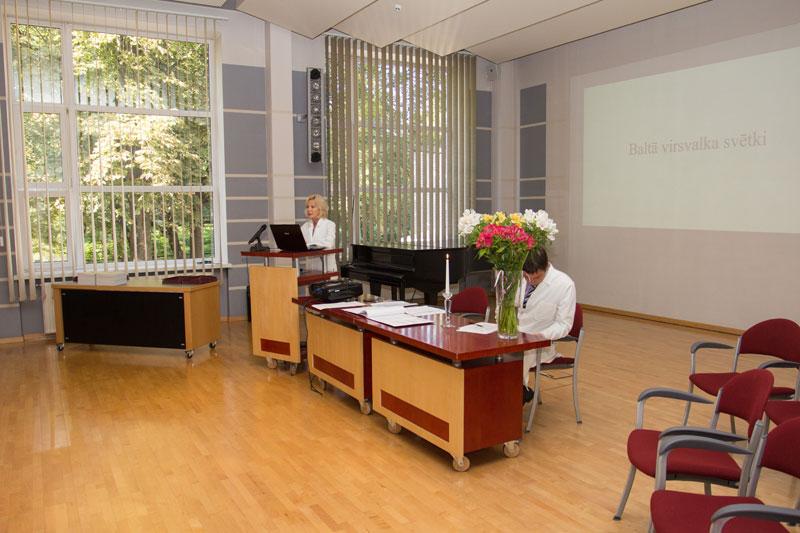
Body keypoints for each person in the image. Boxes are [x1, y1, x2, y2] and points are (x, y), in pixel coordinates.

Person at [517, 247, 576, 403]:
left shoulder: (564, 285)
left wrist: (540, 336)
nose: (530, 281)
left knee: (514, 359)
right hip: (515, 336)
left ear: (546, 266)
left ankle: (516, 396)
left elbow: (564, 324)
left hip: (540, 344)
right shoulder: (519, 278)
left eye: (536, 277)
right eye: (526, 276)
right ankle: (517, 393)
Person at [300, 194, 337, 273]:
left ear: (320, 209)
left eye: (312, 207)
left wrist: (309, 245)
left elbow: (329, 244)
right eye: (307, 207)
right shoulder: (305, 226)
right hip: (310, 270)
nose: (309, 209)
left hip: (327, 269)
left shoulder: (330, 224)